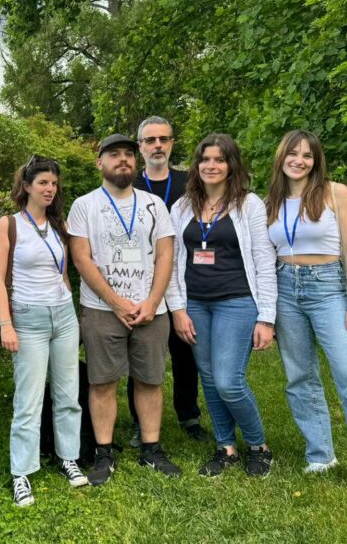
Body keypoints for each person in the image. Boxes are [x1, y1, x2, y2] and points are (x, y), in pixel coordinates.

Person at [265, 129, 347, 504]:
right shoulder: (270, 201)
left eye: (307, 155)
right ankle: (320, 454)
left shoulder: (335, 193)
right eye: (293, 153)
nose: (299, 160)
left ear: (316, 161)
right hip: (285, 289)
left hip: (327, 289)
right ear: (282, 157)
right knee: (300, 376)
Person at [68, 134, 180, 485]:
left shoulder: (154, 205)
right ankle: (104, 452)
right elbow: (81, 258)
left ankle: (151, 448)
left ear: (136, 161)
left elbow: (165, 256)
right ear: (100, 162)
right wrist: (116, 303)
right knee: (102, 382)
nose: (123, 160)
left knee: (150, 379)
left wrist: (152, 302)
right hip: (101, 310)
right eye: (114, 154)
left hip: (150, 310)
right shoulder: (84, 206)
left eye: (129, 154)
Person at [166, 133, 277, 477]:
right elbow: (171, 261)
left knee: (229, 381)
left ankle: (258, 446)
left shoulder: (249, 204)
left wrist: (267, 318)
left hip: (237, 301)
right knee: (211, 380)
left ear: (231, 166)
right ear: (196, 165)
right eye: (205, 159)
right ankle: (225, 446)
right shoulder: (182, 207)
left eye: (219, 159)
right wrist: (178, 310)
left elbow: (264, 260)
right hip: (195, 304)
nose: (211, 165)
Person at [0, 155, 87, 507]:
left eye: (54, 184)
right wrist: (6, 324)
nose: (50, 189)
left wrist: (70, 308)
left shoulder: (59, 225)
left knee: (68, 394)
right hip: (27, 318)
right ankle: (21, 473)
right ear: (27, 186)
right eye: (43, 182)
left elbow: (62, 273)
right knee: (28, 401)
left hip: (63, 316)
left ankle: (69, 457)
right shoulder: (9, 225)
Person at [128, 116, 209, 446]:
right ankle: (140, 422)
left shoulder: (191, 183)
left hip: (184, 279)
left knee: (185, 351)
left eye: (163, 139)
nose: (157, 145)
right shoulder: (129, 185)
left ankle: (189, 415)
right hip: (139, 281)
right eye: (150, 140)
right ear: (140, 147)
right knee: (141, 355)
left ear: (172, 143)